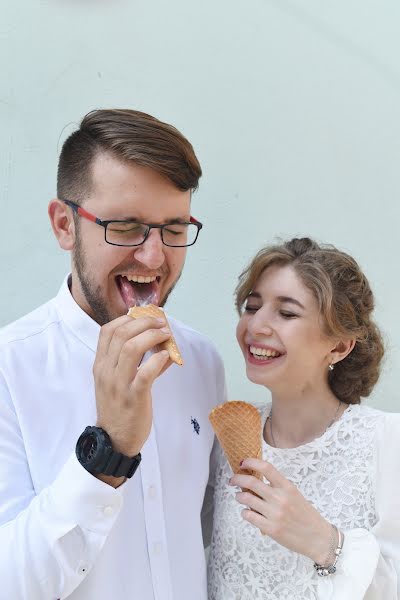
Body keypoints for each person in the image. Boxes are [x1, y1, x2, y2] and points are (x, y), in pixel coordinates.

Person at [0, 109, 226, 600]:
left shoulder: (204, 362)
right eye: (125, 227)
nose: (153, 256)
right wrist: (109, 451)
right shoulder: (9, 369)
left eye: (174, 227)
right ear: (64, 225)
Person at [207, 237, 400, 600]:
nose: (256, 326)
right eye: (252, 306)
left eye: (287, 313)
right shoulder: (224, 444)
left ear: (339, 346)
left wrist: (323, 542)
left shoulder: (386, 442)